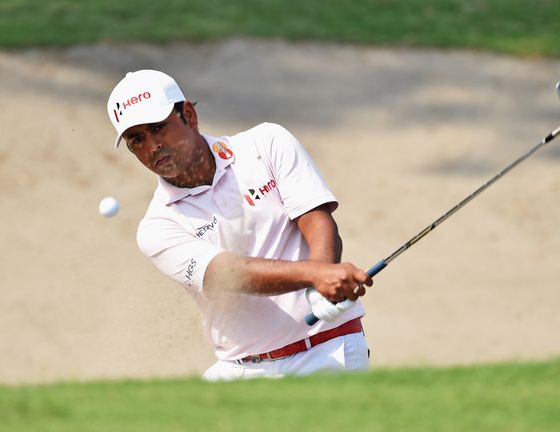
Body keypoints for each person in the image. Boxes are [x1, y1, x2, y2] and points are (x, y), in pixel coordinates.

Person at [106, 69, 373, 380]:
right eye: (136, 139)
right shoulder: (157, 226)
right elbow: (229, 274)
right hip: (243, 369)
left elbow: (315, 218)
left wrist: (322, 281)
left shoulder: (266, 144)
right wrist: (316, 275)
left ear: (189, 115)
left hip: (329, 349)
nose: (151, 147)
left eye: (158, 128)